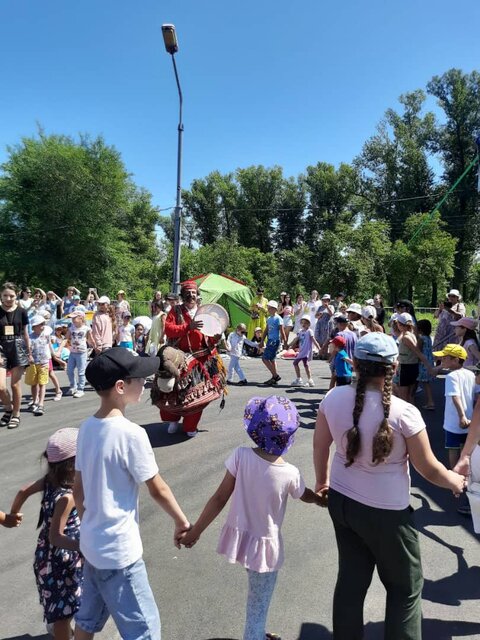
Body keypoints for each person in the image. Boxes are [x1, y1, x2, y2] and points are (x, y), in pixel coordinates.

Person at [313, 332, 466, 640]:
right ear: (394, 368)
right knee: (405, 589)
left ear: (355, 364)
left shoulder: (332, 398)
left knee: (351, 582)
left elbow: (320, 446)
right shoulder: (405, 413)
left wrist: (322, 482)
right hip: (388, 515)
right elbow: (429, 469)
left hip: (342, 502)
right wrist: (456, 481)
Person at [181, 395, 323, 640]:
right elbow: (305, 495)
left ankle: (257, 630)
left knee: (256, 597)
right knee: (258, 604)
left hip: (243, 540)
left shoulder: (241, 456)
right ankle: (255, 634)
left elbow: (219, 498)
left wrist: (195, 532)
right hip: (266, 548)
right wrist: (322, 500)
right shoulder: (289, 473)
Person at [73, 348, 190, 640]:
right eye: (141, 379)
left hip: (92, 545)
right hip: (120, 553)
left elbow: (78, 487)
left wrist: (90, 524)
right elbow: (157, 487)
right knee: (144, 631)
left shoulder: (86, 428)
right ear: (121, 387)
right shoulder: (132, 434)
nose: (146, 383)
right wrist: (181, 521)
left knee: (87, 620)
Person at [9, 428, 83, 640]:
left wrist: (13, 515)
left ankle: (62, 630)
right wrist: (84, 546)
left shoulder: (50, 480)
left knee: (63, 607)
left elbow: (24, 490)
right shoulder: (66, 497)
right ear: (74, 464)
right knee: (63, 614)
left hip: (45, 556)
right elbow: (56, 536)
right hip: (63, 559)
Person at [155, 280, 225, 437]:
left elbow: (210, 336)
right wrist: (188, 327)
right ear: (183, 295)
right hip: (179, 358)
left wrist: (215, 338)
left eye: (194, 293)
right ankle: (173, 420)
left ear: (197, 295)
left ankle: (190, 426)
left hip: (201, 360)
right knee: (170, 392)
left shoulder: (204, 312)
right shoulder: (175, 310)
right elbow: (169, 330)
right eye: (188, 293)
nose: (191, 295)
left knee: (197, 396)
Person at [431, 343, 476, 474]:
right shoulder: (470, 374)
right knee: (465, 448)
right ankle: (466, 473)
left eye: (445, 358)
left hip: (454, 421)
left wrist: (461, 416)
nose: (442, 360)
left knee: (452, 448)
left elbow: (455, 396)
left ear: (456, 360)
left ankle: (454, 474)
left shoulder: (451, 376)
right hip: (470, 419)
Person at [0, 282, 31, 429]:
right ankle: (8, 408)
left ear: (16, 295)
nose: (8, 298)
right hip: (1, 347)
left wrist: (29, 353)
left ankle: (16, 414)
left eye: (11, 296)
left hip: (18, 347)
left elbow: (25, 334)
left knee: (15, 384)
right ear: (1, 295)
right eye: (5, 295)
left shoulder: (22, 311)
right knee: (1, 387)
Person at [25, 314, 54, 416]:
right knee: (34, 384)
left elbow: (49, 346)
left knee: (42, 383)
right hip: (33, 364)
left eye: (43, 324)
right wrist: (29, 356)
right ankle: (35, 401)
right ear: (34, 326)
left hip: (44, 362)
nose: (42, 326)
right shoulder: (30, 337)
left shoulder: (46, 335)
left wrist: (53, 355)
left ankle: (41, 404)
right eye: (40, 324)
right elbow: (27, 349)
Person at [66, 311, 93, 398]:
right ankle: (73, 386)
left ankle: (80, 389)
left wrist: (94, 346)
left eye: (75, 318)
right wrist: (59, 349)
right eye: (72, 318)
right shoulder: (71, 328)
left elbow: (90, 340)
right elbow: (65, 338)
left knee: (81, 371)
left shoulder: (86, 329)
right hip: (73, 352)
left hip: (81, 352)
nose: (73, 320)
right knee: (69, 370)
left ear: (81, 318)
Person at [290, 315, 320, 387]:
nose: (303, 324)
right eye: (302, 323)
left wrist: (319, 348)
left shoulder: (309, 331)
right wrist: (289, 345)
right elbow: (296, 339)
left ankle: (299, 379)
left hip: (305, 351)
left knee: (295, 363)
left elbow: (314, 340)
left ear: (309, 324)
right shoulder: (300, 332)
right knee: (306, 365)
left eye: (305, 323)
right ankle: (310, 380)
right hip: (302, 351)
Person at [261, 300, 286, 386]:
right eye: (268, 308)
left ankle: (275, 375)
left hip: (275, 341)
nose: (269, 310)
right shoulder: (269, 319)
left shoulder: (278, 319)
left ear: (275, 309)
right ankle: (274, 377)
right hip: (269, 340)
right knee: (271, 359)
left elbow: (282, 331)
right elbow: (266, 330)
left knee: (264, 358)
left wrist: (285, 342)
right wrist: (262, 340)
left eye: (271, 308)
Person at [416, 319, 436, 410]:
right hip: (429, 362)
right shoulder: (428, 338)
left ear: (420, 330)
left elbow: (418, 351)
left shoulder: (421, 339)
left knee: (425, 383)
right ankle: (430, 401)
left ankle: (430, 402)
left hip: (423, 363)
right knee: (425, 383)